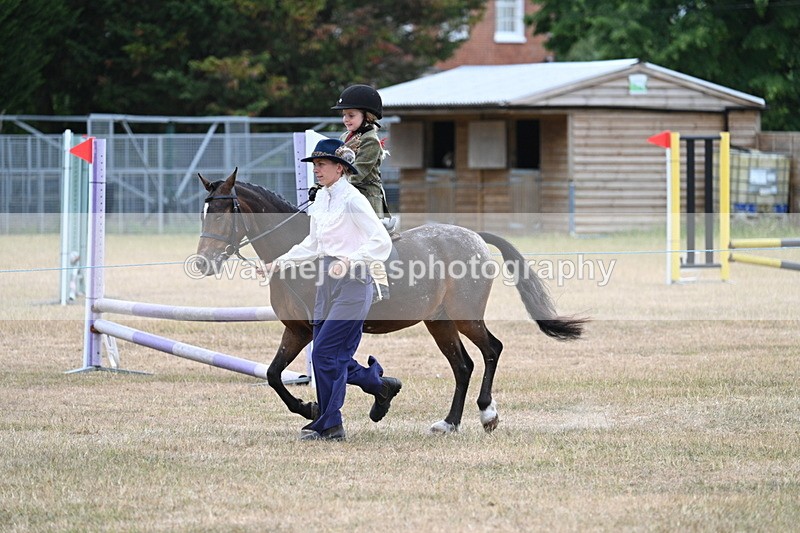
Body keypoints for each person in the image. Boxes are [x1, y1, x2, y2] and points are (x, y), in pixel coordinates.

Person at [266, 138, 402, 442]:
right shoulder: (322, 200)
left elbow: (380, 240)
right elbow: (312, 244)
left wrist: (351, 260)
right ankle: (373, 385)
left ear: (340, 168)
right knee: (326, 356)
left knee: (326, 352)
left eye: (322, 165)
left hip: (353, 283)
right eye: (314, 165)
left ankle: (330, 424)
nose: (317, 170)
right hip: (325, 283)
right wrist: (279, 262)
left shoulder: (353, 199)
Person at [331, 84, 395, 300]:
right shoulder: (344, 137)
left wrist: (332, 185)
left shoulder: (371, 141)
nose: (346, 119)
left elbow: (357, 174)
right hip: (344, 194)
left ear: (366, 116)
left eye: (351, 115)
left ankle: (379, 284)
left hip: (366, 197)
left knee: (369, 238)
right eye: (344, 115)